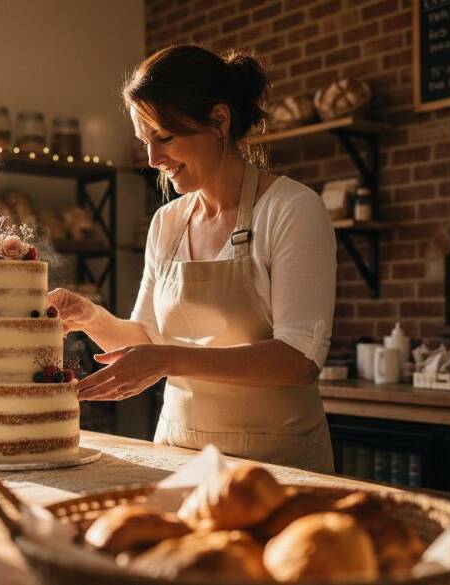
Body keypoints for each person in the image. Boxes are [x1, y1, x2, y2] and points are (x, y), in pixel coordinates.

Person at [50, 45, 336, 473]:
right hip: (178, 456)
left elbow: (299, 361)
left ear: (219, 120)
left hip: (277, 464)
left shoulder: (292, 208)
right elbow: (144, 341)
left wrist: (169, 359)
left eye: (164, 137)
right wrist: (90, 317)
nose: (153, 159)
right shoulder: (168, 222)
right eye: (145, 141)